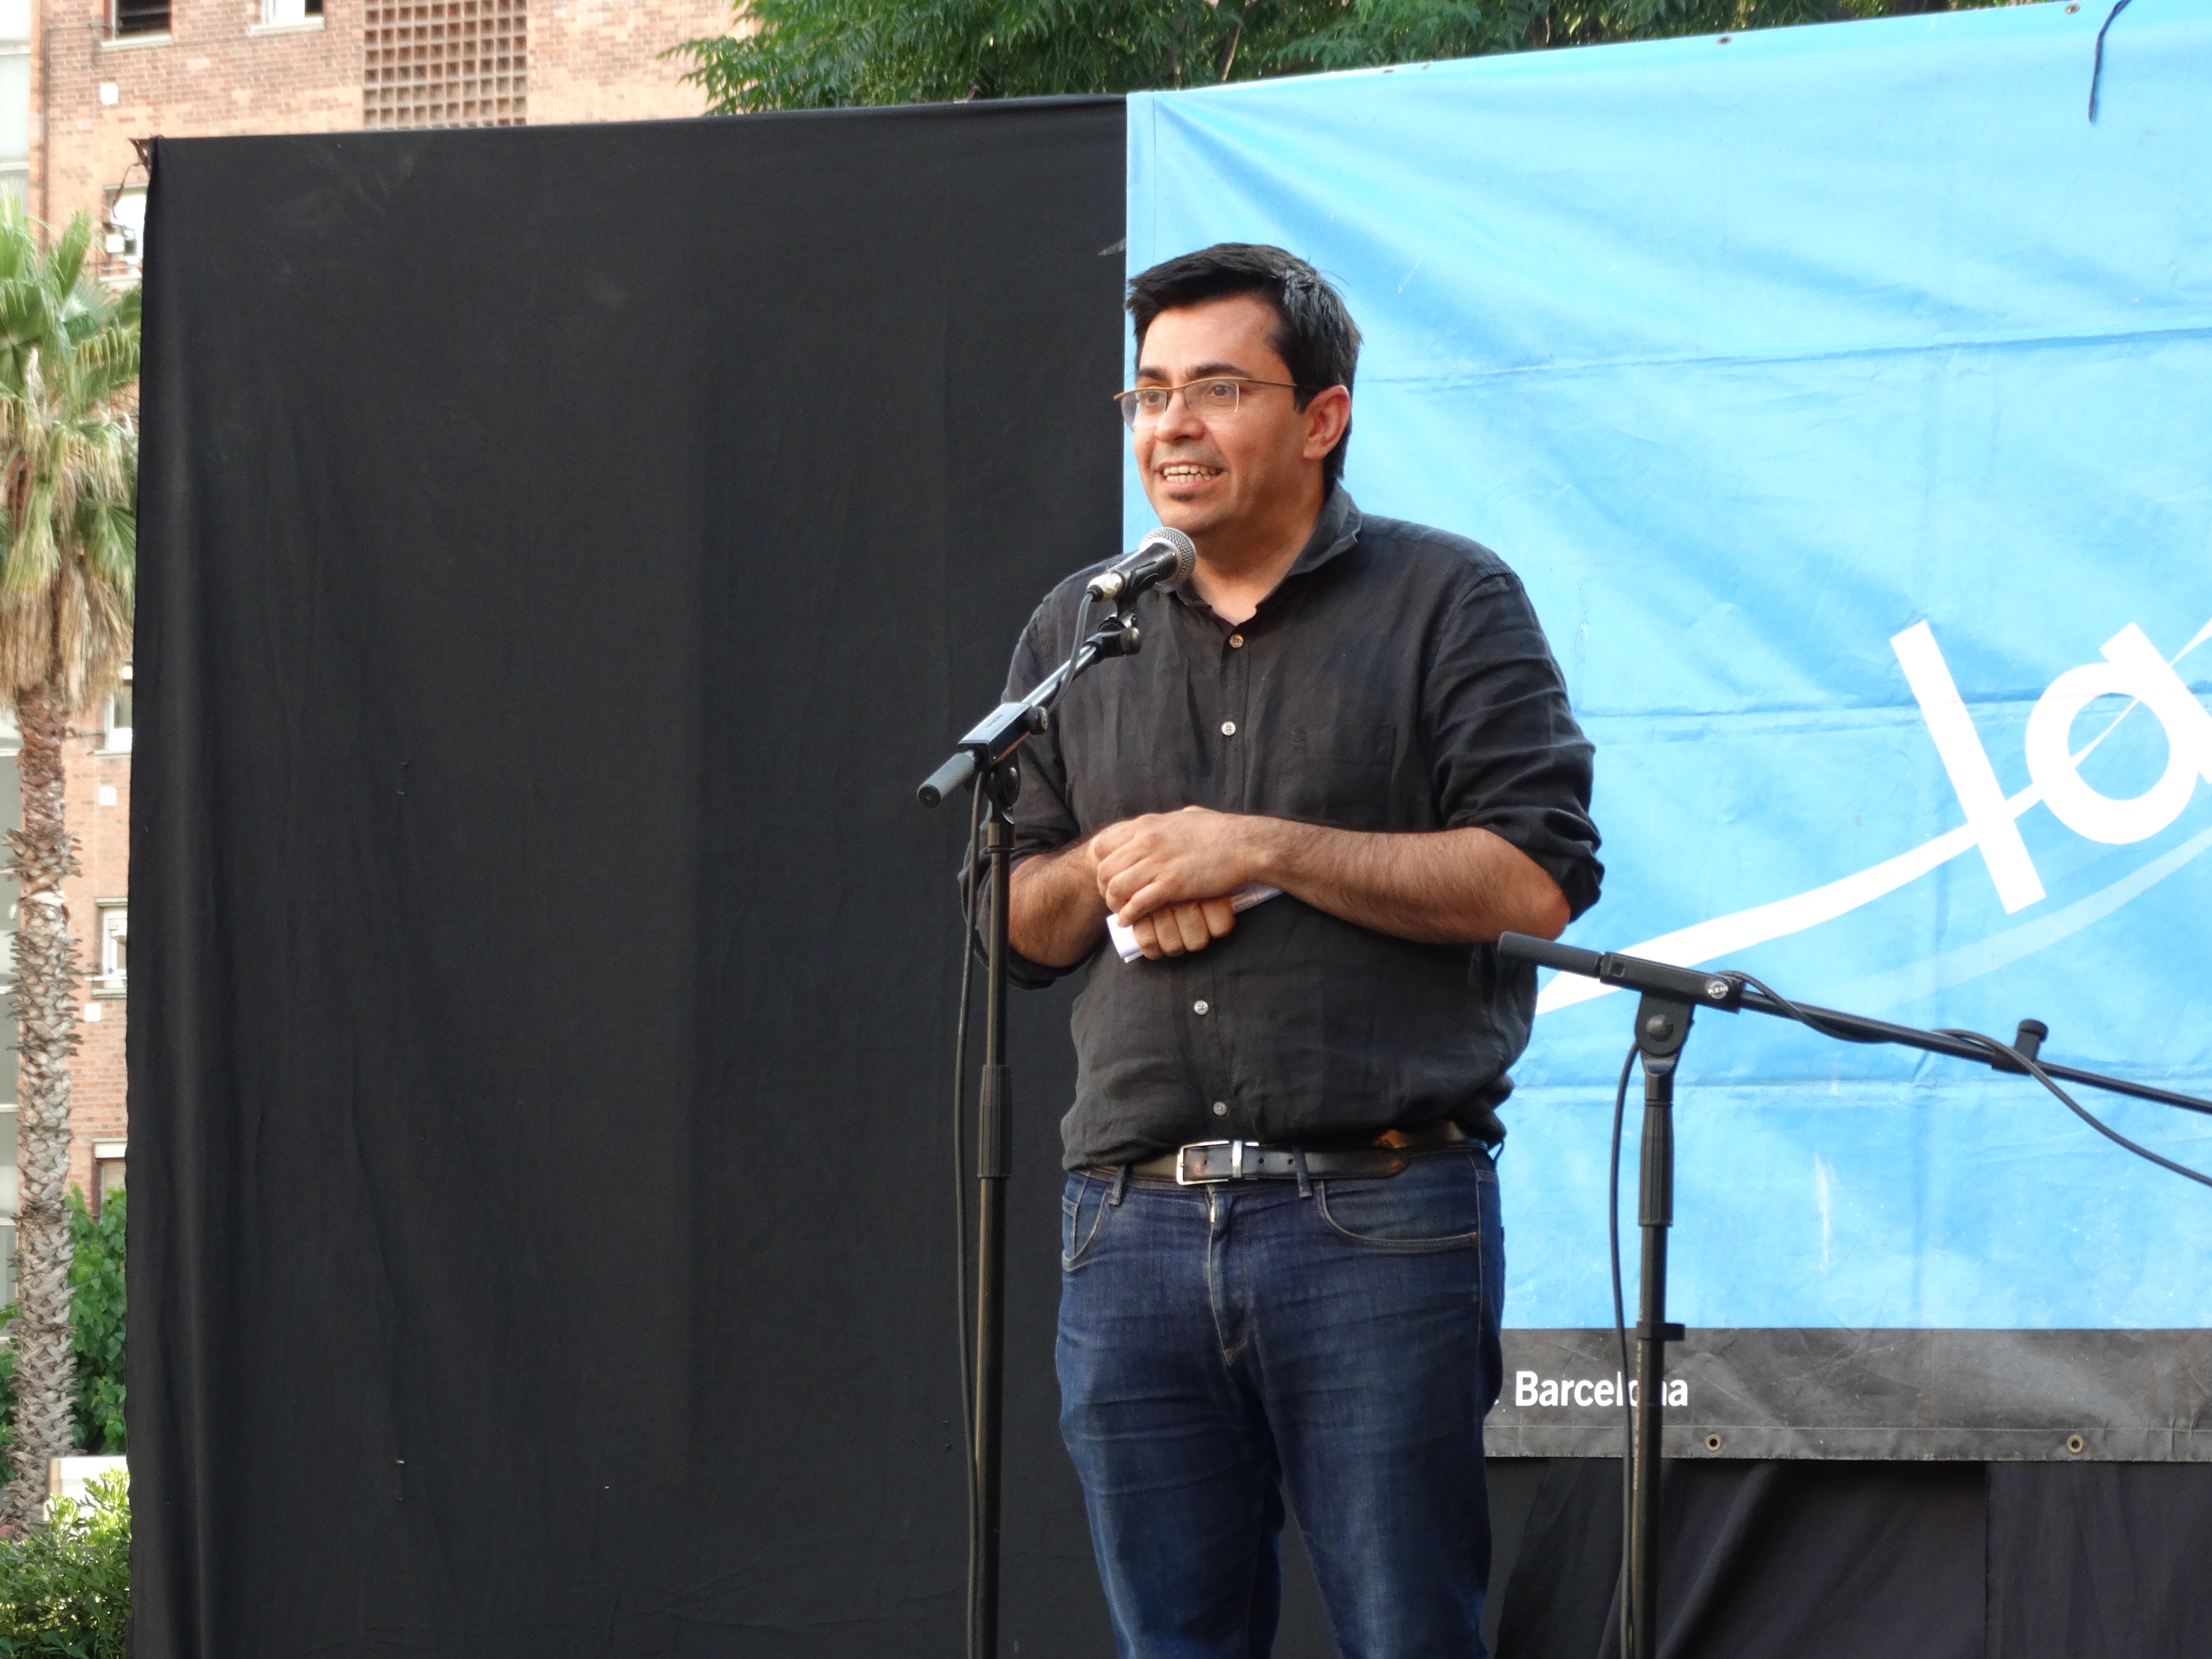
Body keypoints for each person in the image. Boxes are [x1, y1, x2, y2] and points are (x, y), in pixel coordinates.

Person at [1001, 243, 1603, 1659]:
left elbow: (1535, 878)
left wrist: (1255, 847)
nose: (1172, 426)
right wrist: (1117, 864)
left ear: (1324, 416)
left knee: (1408, 1636)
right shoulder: (1084, 628)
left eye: (1217, 390)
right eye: (1149, 393)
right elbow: (1013, 921)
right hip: (1129, 1228)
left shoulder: (1448, 599)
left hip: (1374, 1218)